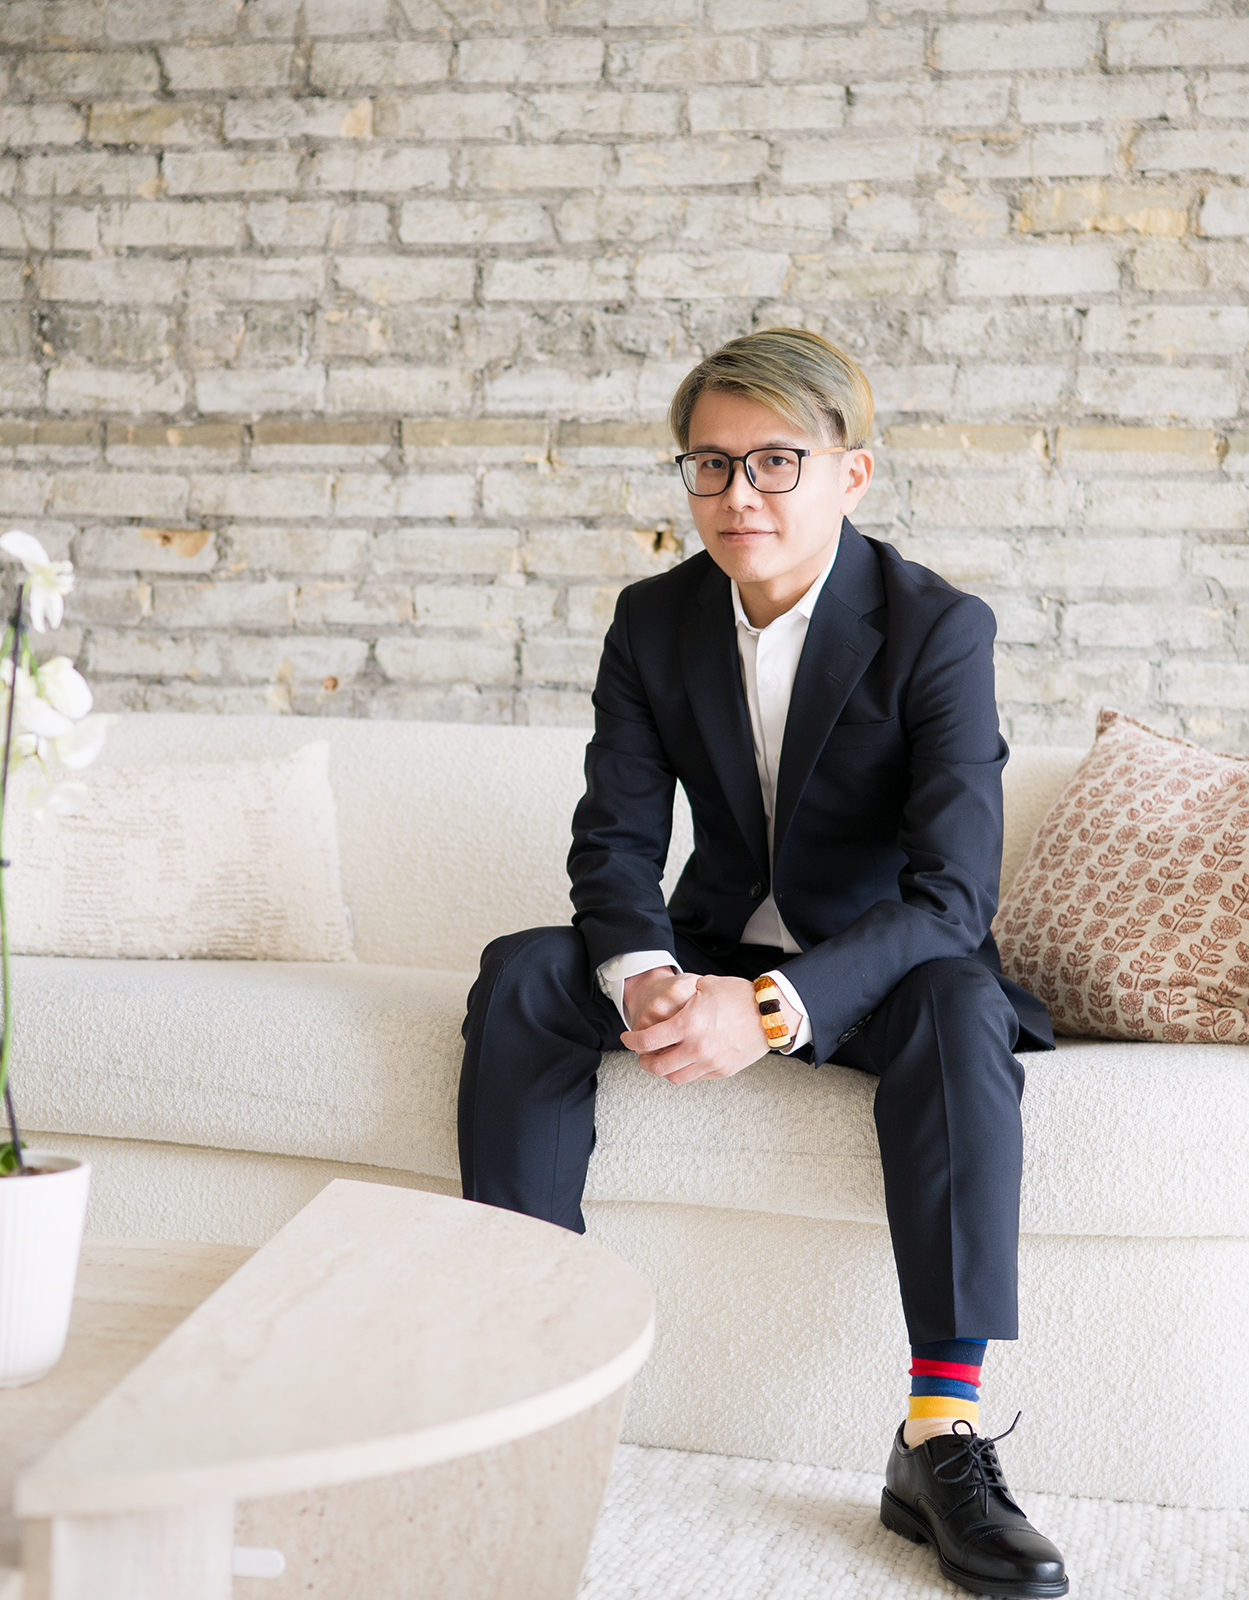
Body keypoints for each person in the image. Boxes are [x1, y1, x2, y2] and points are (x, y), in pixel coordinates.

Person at [456, 327, 1070, 1598]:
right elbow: (616, 838)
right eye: (712, 464)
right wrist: (644, 976)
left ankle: (939, 1435)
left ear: (851, 475)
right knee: (523, 971)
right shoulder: (653, 620)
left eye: (778, 461)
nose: (741, 494)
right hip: (714, 929)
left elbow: (954, 892)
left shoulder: (938, 628)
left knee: (963, 1006)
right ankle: (524, 1387)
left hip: (882, 964)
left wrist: (775, 1010)